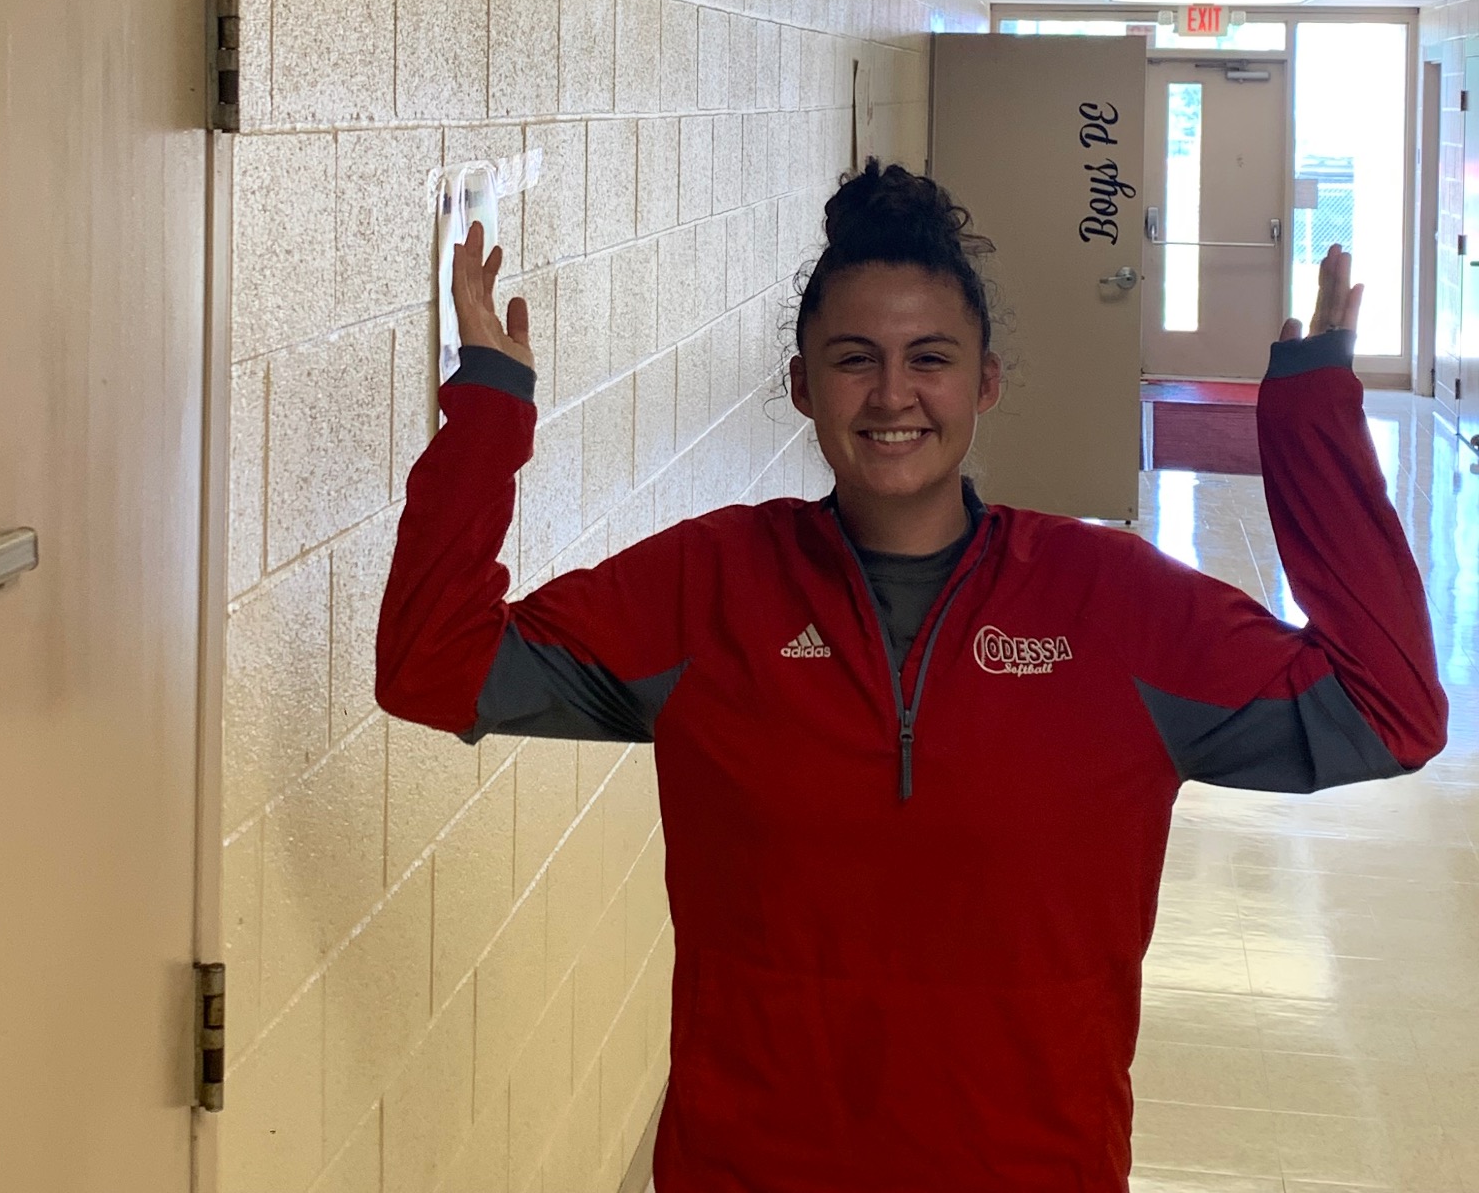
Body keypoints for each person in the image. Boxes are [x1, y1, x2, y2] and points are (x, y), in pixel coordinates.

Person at [376, 159, 1446, 1193]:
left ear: (986, 381)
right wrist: (489, 410)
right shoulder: (710, 588)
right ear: (802, 385)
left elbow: (1390, 709)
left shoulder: (1113, 602)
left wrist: (1312, 420)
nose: (893, 394)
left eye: (930, 357)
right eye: (855, 358)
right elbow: (433, 664)